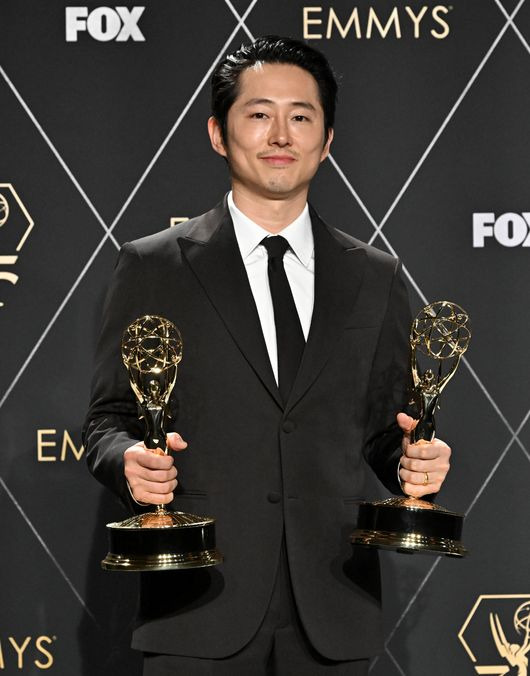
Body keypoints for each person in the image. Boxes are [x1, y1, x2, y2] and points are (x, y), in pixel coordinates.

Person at [83, 36, 451, 676]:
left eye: (301, 116)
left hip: (334, 611)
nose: (281, 133)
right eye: (258, 114)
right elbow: (107, 419)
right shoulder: (153, 266)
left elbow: (386, 429)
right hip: (198, 607)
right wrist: (129, 464)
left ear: (327, 139)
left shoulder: (376, 276)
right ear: (218, 134)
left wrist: (415, 463)